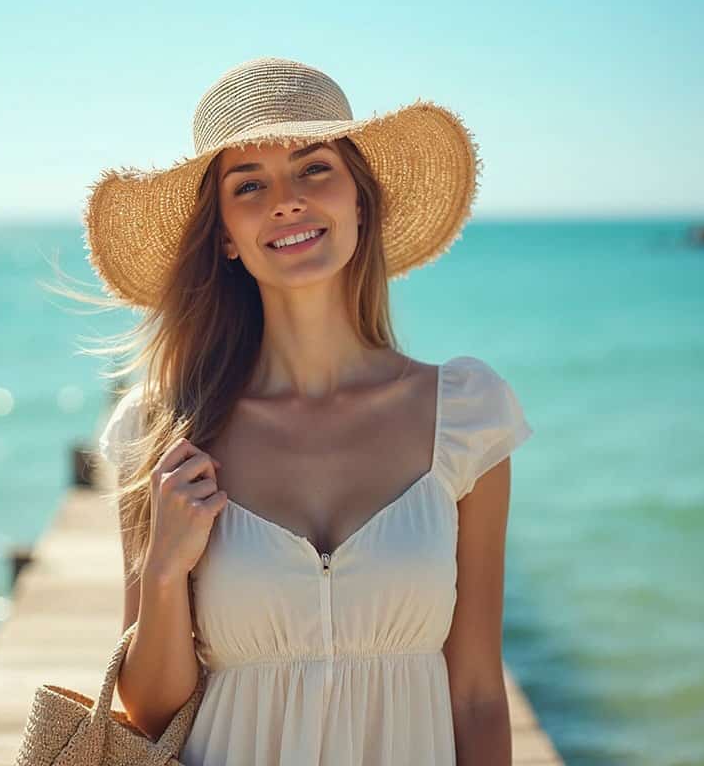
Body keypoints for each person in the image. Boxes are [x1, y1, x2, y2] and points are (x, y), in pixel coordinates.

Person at [84, 57, 533, 765]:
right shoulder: (162, 434)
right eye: (249, 185)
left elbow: (476, 689)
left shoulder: (466, 417)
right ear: (226, 234)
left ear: (360, 200)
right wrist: (166, 569)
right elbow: (150, 709)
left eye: (314, 167)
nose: (286, 201)